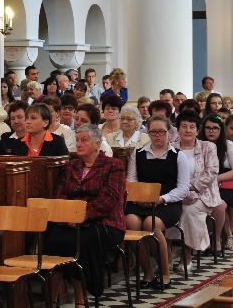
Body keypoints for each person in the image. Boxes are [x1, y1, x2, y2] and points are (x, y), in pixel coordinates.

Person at [45, 124, 125, 304]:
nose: (79, 144)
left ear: (97, 144)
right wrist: (70, 215)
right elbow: (60, 194)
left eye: (84, 140)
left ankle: (82, 300)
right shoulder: (72, 165)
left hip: (106, 222)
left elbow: (109, 199)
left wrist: (82, 215)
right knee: (52, 241)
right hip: (70, 221)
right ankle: (52, 300)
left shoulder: (113, 165)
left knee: (80, 243)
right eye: (77, 140)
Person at [126, 115, 190, 289]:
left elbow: (183, 188)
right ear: (148, 133)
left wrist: (162, 199)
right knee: (130, 222)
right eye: (153, 132)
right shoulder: (138, 153)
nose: (157, 136)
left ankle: (164, 274)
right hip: (141, 200)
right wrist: (139, 198)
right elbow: (131, 181)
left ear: (169, 132)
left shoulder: (178, 156)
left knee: (150, 224)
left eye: (161, 132)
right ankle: (147, 272)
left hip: (167, 202)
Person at [170, 111, 222, 273]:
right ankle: (168, 255)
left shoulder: (208, 147)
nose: (187, 130)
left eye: (192, 127)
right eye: (183, 126)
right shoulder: (170, 148)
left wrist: (189, 188)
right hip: (175, 193)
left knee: (187, 211)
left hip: (202, 194)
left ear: (197, 130)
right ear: (177, 129)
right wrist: (178, 191)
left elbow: (211, 172)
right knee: (165, 212)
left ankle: (187, 256)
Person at [198, 115, 233, 250]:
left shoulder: (228, 146)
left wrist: (215, 179)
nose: (211, 131)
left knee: (220, 203)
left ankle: (217, 238)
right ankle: (206, 237)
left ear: (220, 130)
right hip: (202, 186)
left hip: (225, 187)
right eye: (208, 128)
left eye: (215, 128)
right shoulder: (198, 145)